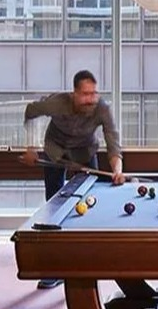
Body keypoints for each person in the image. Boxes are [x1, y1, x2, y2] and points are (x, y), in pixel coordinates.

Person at [21, 70, 125, 288]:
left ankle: (87, 261)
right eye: (85, 94)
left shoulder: (102, 108)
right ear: (74, 93)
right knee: (54, 209)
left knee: (91, 203)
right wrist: (30, 149)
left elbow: (113, 142)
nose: (90, 99)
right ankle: (54, 269)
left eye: (93, 93)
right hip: (56, 152)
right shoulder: (57, 103)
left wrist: (117, 169)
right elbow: (30, 111)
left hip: (85, 153)